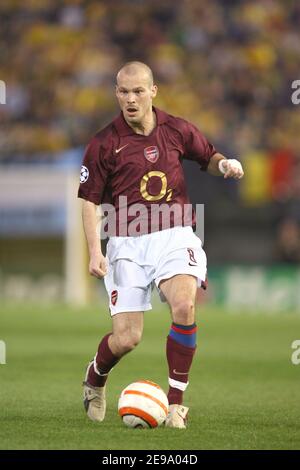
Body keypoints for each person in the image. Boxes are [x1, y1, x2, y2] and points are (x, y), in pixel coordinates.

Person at [78, 61, 244, 429]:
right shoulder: (103, 143)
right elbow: (89, 200)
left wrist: (226, 165)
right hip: (126, 242)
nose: (131, 99)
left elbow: (208, 156)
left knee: (184, 305)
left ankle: (175, 405)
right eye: (123, 92)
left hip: (175, 232)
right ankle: (95, 377)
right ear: (116, 94)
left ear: (153, 91)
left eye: (138, 91)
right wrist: (94, 250)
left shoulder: (176, 129)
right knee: (127, 338)